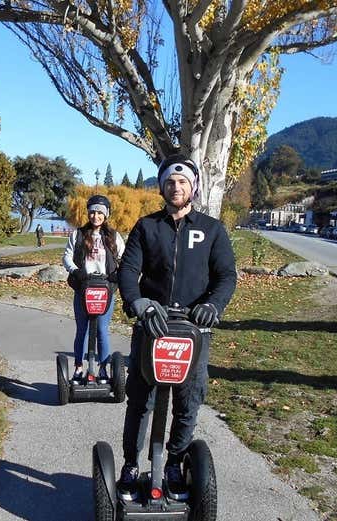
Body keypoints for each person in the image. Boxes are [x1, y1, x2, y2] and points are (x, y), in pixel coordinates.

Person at [116, 154, 237, 500]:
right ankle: (130, 465)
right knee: (141, 400)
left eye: (183, 181)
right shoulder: (146, 226)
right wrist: (136, 302)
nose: (176, 186)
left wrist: (213, 305)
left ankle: (174, 462)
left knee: (189, 400)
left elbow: (226, 276)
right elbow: (128, 271)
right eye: (170, 181)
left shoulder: (212, 230)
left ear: (193, 186)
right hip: (151, 327)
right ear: (162, 186)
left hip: (194, 330)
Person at [62, 195, 126, 381]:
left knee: (102, 330)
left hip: (105, 289)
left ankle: (103, 369)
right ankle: (79, 368)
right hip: (83, 287)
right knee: (82, 329)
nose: (95, 216)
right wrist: (75, 271)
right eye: (92, 212)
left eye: (100, 212)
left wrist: (118, 274)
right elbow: (67, 256)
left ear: (106, 214)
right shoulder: (78, 234)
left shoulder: (114, 236)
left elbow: (125, 258)